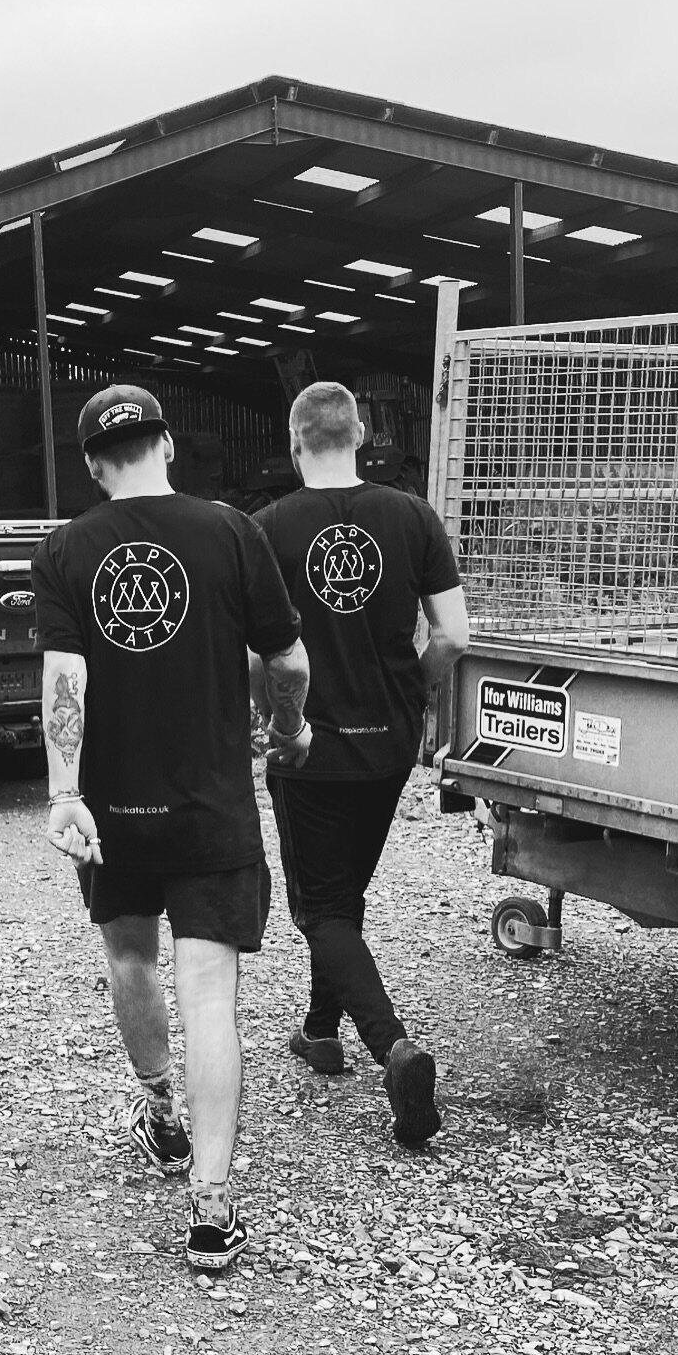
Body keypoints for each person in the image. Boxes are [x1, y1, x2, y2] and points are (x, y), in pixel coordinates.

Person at [31, 384, 311, 1273]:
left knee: (129, 956)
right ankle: (212, 1212)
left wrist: (63, 792)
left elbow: (64, 680)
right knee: (211, 998)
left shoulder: (67, 548)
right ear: (168, 446)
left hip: (113, 812)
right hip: (209, 807)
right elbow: (287, 657)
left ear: (90, 464)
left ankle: (159, 1110)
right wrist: (291, 727)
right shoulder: (232, 531)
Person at [254, 381, 469, 1147]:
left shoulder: (269, 528)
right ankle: (319, 1030)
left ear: (294, 441)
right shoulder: (412, 515)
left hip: (310, 749)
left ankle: (394, 1048)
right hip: (387, 746)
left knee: (324, 908)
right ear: (362, 433)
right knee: (344, 895)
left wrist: (275, 720)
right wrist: (412, 686)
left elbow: (261, 652)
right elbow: (453, 635)